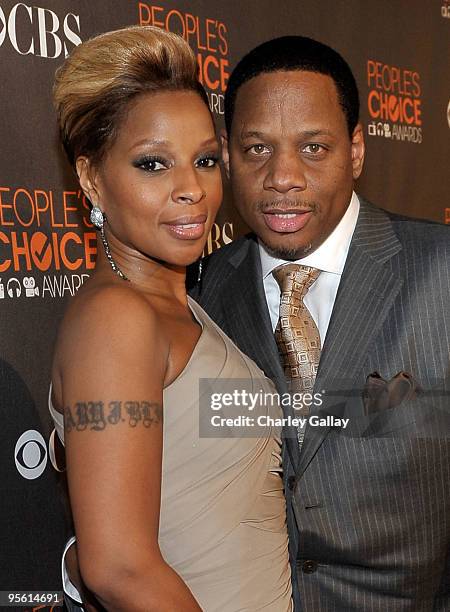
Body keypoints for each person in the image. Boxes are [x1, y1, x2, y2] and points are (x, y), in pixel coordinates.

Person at [190, 36, 450, 611]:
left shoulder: (442, 273)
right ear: (228, 155)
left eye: (313, 148)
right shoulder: (199, 288)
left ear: (355, 150)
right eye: (257, 149)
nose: (283, 176)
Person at [50, 26, 293, 612]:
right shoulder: (117, 318)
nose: (192, 189)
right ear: (91, 179)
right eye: (153, 164)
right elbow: (118, 567)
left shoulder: (178, 303)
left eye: (205, 159)